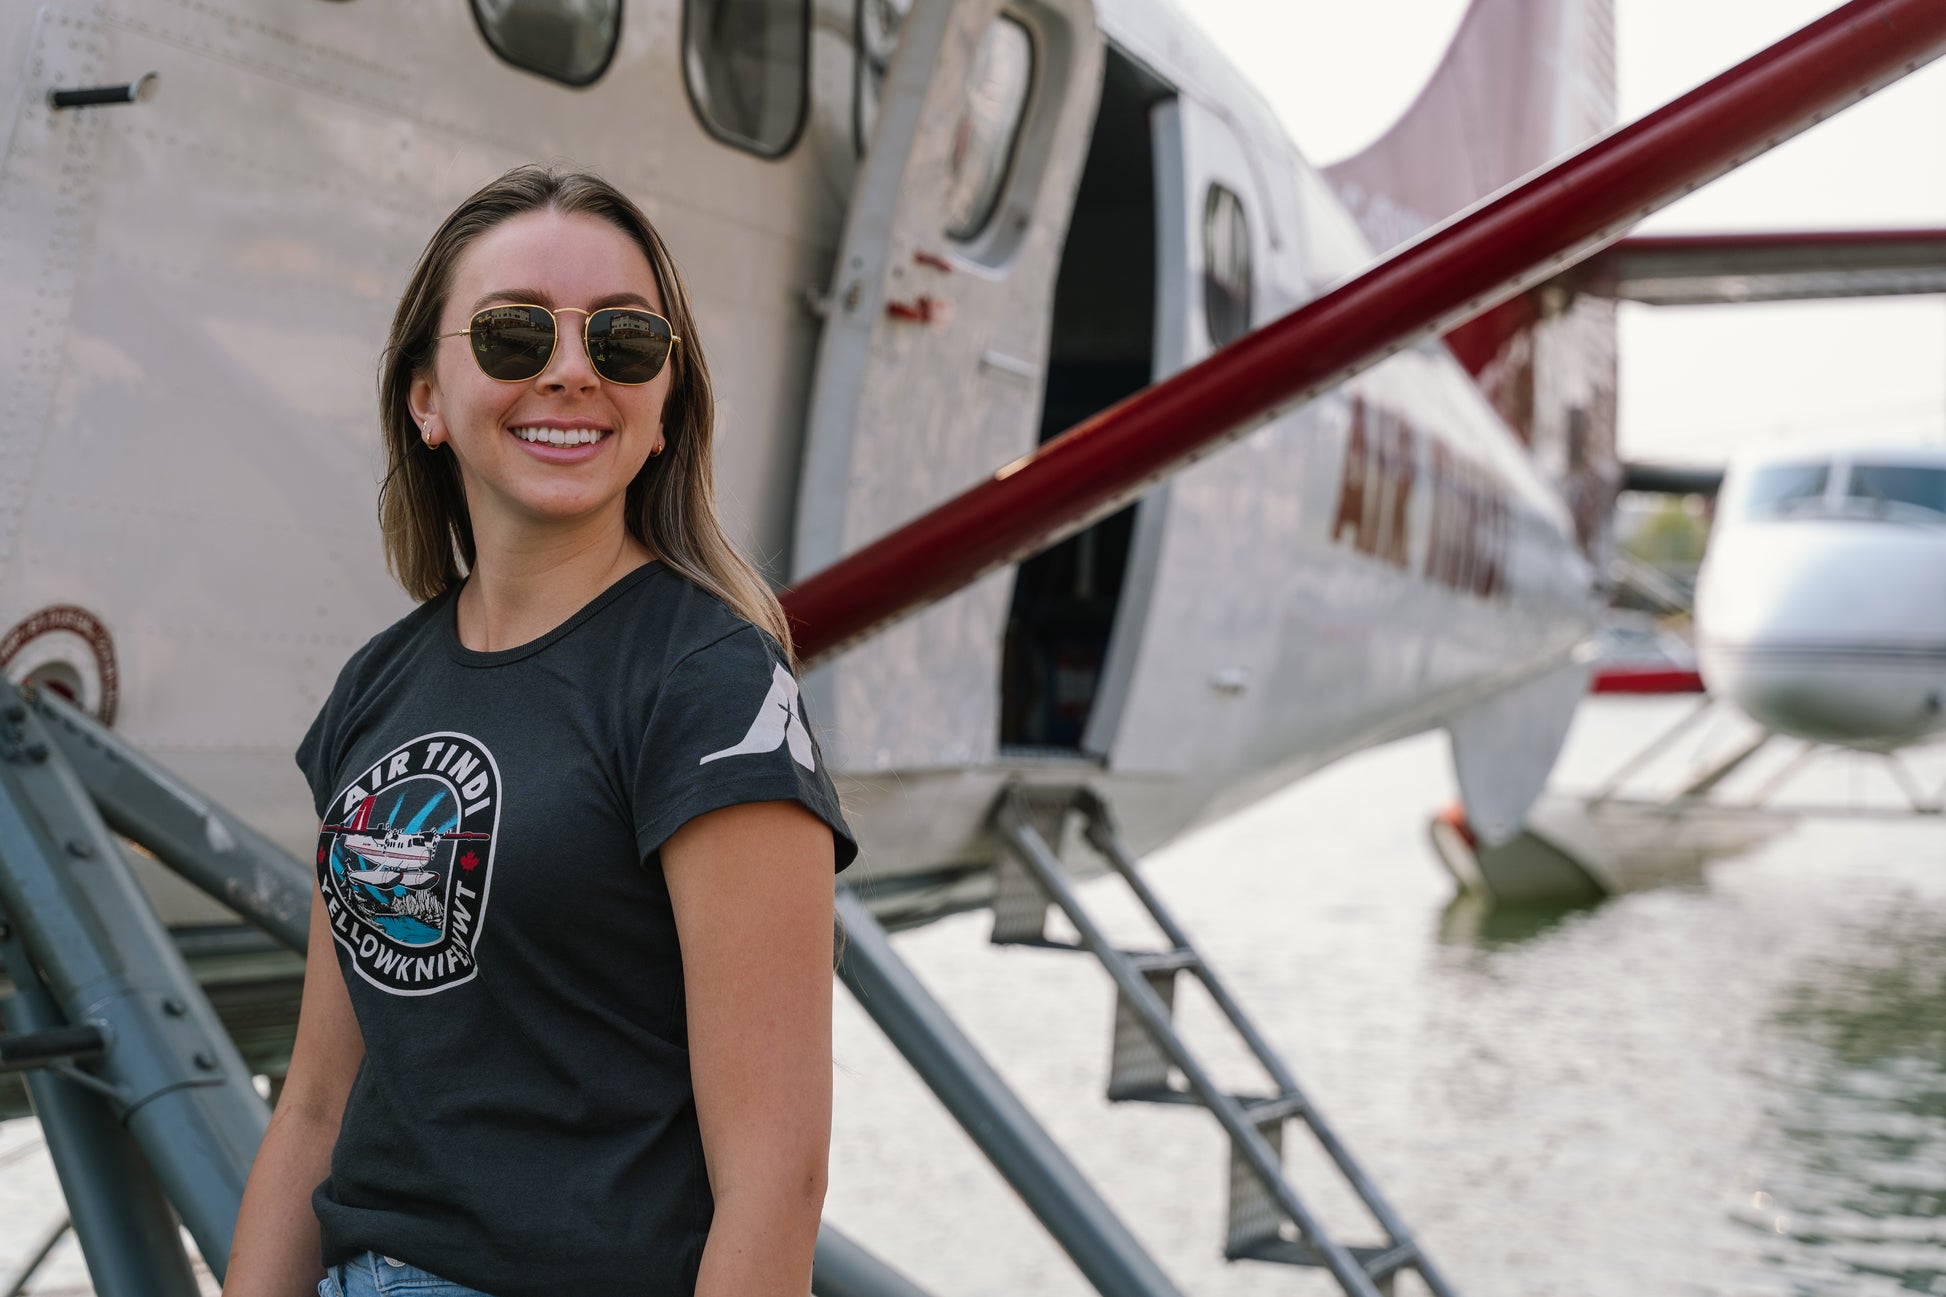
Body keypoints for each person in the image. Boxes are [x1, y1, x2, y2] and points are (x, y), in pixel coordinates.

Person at [224, 165, 857, 1297]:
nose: (571, 369)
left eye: (623, 341)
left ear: (663, 407)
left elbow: (775, 1176)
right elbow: (317, 1103)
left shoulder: (710, 685)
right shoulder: (377, 686)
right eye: (513, 335)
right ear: (426, 399)